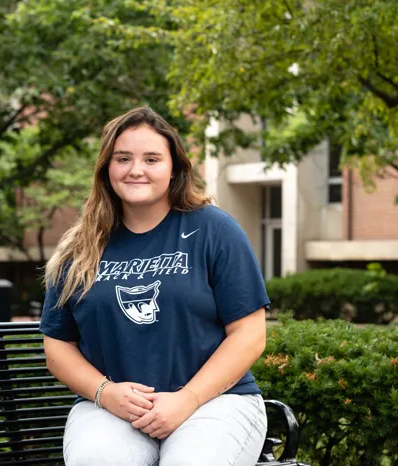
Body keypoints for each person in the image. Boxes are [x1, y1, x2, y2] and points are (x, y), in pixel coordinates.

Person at [40, 106, 270, 466]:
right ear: (106, 168)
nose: (136, 169)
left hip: (215, 403)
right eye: (123, 158)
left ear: (174, 168)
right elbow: (58, 345)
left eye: (151, 158)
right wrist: (105, 393)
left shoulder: (214, 230)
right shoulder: (80, 246)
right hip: (112, 410)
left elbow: (249, 333)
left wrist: (188, 398)